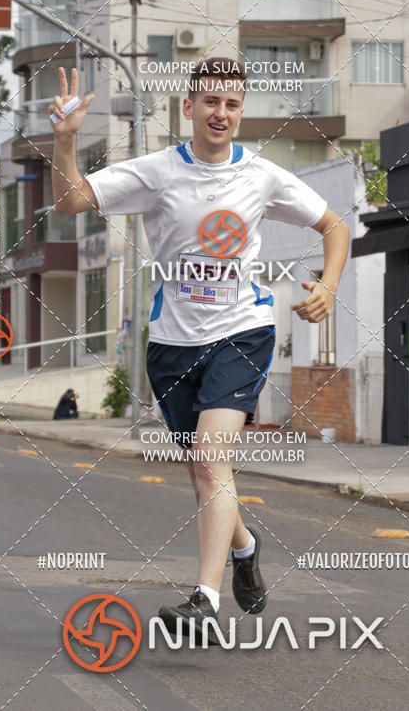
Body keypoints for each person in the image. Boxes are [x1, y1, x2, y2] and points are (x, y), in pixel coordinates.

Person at [49, 59, 350, 639]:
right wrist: (65, 141)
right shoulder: (157, 171)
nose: (221, 113)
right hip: (173, 343)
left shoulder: (262, 175)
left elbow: (334, 226)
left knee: (212, 461)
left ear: (241, 112)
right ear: (188, 107)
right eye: (211, 101)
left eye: (232, 104)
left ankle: (204, 602)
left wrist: (328, 287)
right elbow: (70, 201)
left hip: (242, 332)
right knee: (203, 470)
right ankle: (245, 546)